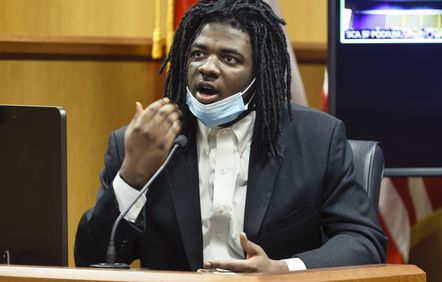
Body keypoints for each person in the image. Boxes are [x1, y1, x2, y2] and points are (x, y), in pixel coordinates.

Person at [75, 0, 386, 272]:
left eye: (229, 59)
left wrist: (284, 269)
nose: (207, 68)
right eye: (198, 54)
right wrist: (132, 176)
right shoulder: (142, 142)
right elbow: (90, 260)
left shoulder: (318, 139)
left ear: (259, 73)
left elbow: (362, 241)